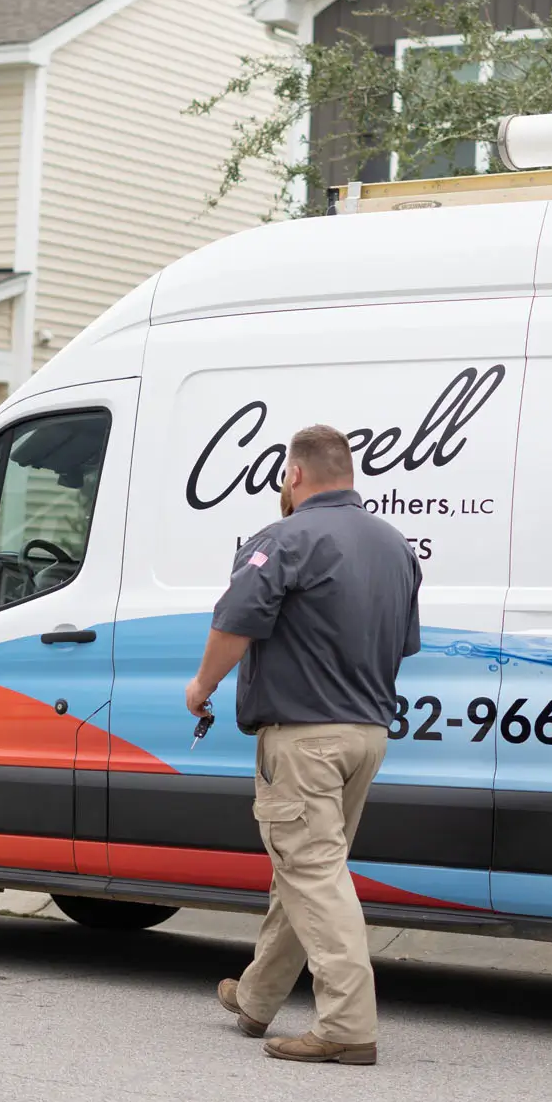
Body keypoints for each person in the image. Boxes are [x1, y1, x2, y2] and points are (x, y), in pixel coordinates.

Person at [184, 424, 422, 1066]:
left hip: (304, 737)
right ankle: (257, 997)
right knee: (304, 868)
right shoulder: (396, 546)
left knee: (313, 873)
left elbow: (234, 622)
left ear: (293, 475)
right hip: (367, 735)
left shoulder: (284, 539)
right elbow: (402, 644)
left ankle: (347, 1025)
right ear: (349, 473)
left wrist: (202, 686)